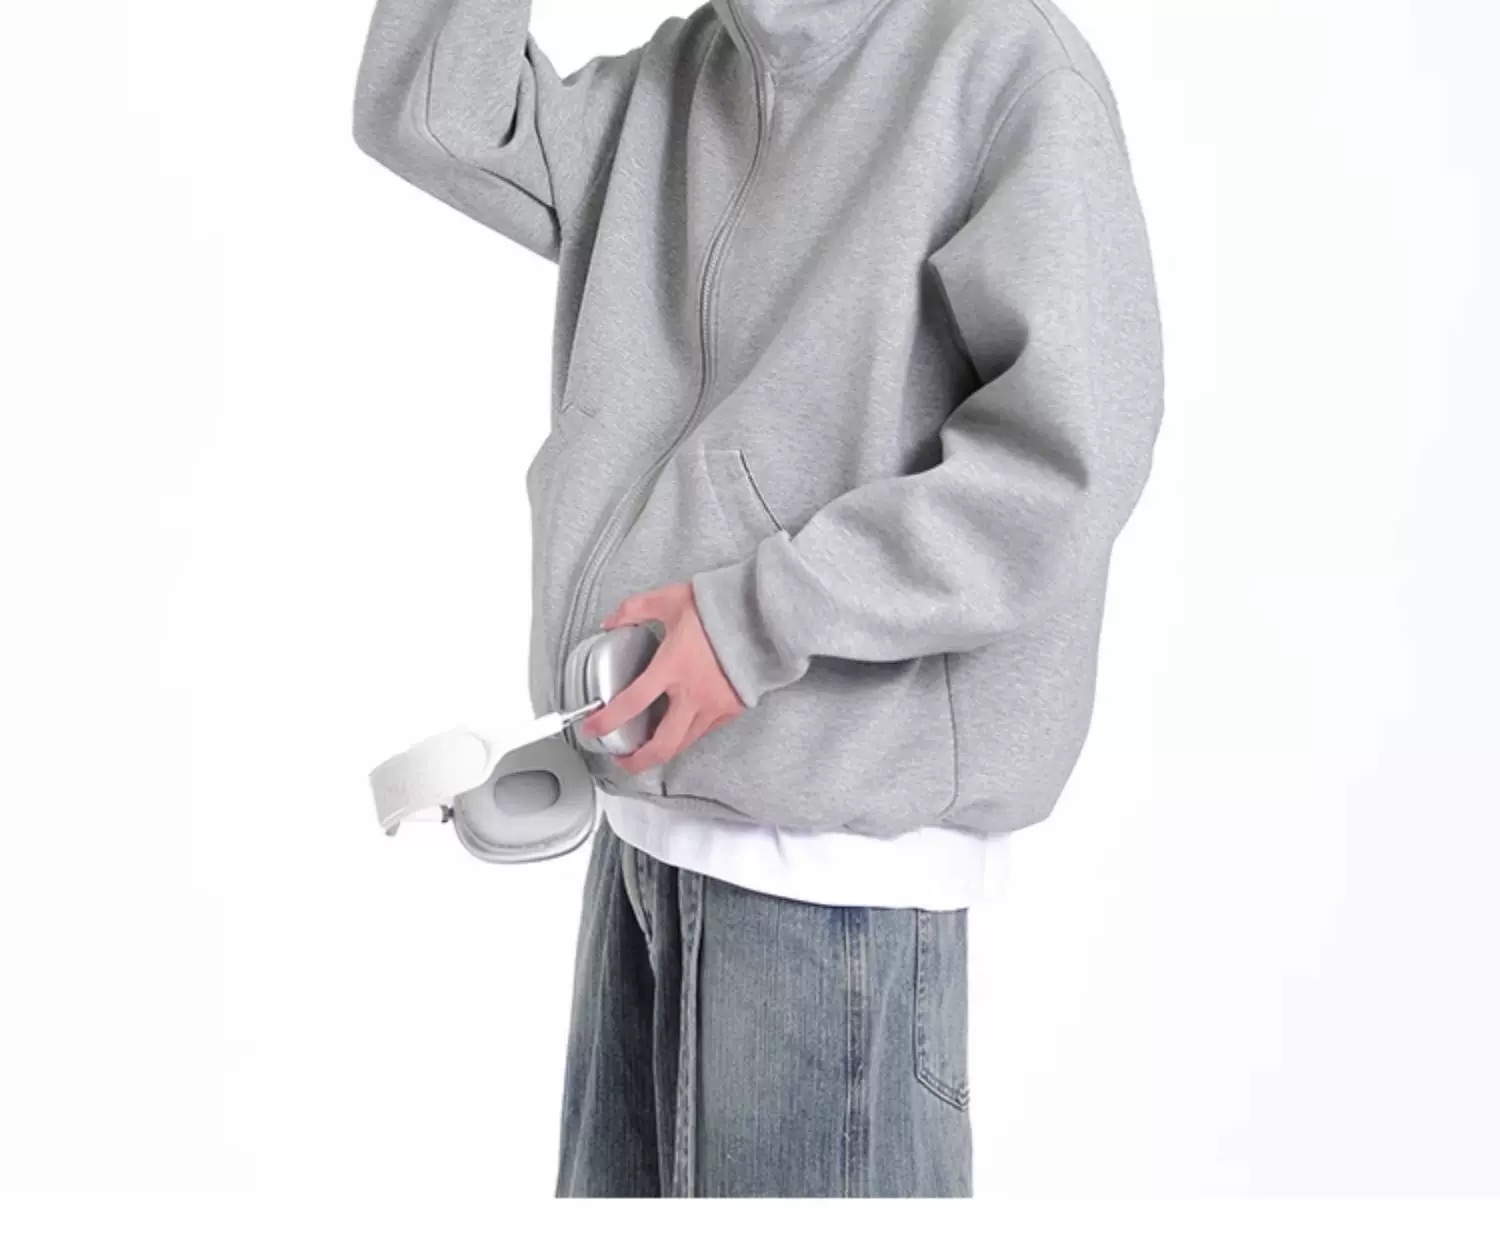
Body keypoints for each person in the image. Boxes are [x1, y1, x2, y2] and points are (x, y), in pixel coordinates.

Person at [353, 0, 1163, 1198]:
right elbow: (434, 114)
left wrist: (758, 620)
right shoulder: (691, 72)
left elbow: (1060, 471)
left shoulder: (999, 68)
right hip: (642, 849)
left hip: (833, 901)